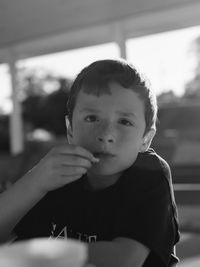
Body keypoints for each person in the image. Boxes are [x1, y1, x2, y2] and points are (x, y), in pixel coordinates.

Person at [0, 59, 180, 267]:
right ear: (70, 130)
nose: (106, 134)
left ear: (145, 139)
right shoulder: (56, 174)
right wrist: (35, 182)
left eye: (124, 122)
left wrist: (43, 254)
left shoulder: (149, 173)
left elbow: (126, 259)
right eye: (92, 118)